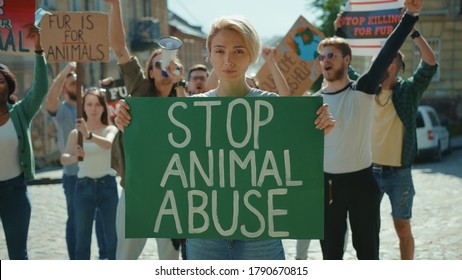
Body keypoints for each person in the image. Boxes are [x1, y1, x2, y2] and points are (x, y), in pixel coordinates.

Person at [114, 15, 335, 260]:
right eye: (219, 51)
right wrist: (131, 126)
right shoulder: (190, 109)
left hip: (261, 232)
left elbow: (295, 155)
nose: (228, 60)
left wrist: (317, 130)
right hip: (204, 233)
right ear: (209, 54)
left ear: (251, 54)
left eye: (238, 51)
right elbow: (165, 154)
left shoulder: (273, 107)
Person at [316, 0, 424, 260]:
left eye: (332, 55)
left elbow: (388, 51)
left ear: (347, 60)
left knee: (367, 254)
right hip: (326, 186)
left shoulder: (362, 89)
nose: (326, 60)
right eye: (322, 56)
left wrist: (410, 16)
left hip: (362, 182)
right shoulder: (313, 100)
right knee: (330, 255)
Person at [105, 0, 183, 260]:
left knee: (170, 258)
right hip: (137, 187)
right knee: (125, 256)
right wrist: (115, 6)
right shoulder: (139, 91)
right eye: (157, 63)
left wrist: (179, 83)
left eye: (170, 64)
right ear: (149, 71)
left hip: (172, 190)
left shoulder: (182, 99)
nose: (164, 68)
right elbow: (119, 47)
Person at [371, 29, 438, 259]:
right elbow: (343, 71)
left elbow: (430, 64)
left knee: (402, 228)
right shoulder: (366, 89)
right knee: (369, 230)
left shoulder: (407, 91)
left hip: (399, 174)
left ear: (397, 65)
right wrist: (341, 30)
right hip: (370, 171)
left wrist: (414, 33)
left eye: (388, 56)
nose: (381, 59)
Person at [46, 63, 107, 260]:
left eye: (78, 82)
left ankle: (106, 258)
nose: (76, 85)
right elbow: (50, 99)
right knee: (76, 222)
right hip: (74, 177)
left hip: (98, 173)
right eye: (72, 83)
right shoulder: (63, 111)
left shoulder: (90, 108)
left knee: (102, 221)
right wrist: (65, 72)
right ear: (64, 88)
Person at [0, 24, 48, 260]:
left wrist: (39, 51)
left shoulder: (20, 113)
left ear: (8, 85)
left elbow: (40, 89)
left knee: (18, 255)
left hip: (15, 192)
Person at [60, 88, 119, 259]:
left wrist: (89, 135)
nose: (93, 108)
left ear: (103, 107)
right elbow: (64, 158)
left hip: (107, 186)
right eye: (89, 104)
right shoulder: (75, 134)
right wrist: (74, 158)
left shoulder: (110, 129)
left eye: (97, 104)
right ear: (83, 107)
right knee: (82, 240)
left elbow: (108, 144)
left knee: (112, 240)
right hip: (83, 187)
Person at [205, 47, 290, 96]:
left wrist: (271, 61)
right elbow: (209, 88)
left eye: (249, 86)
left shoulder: (264, 102)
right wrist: (220, 59)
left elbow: (284, 96)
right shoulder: (217, 100)